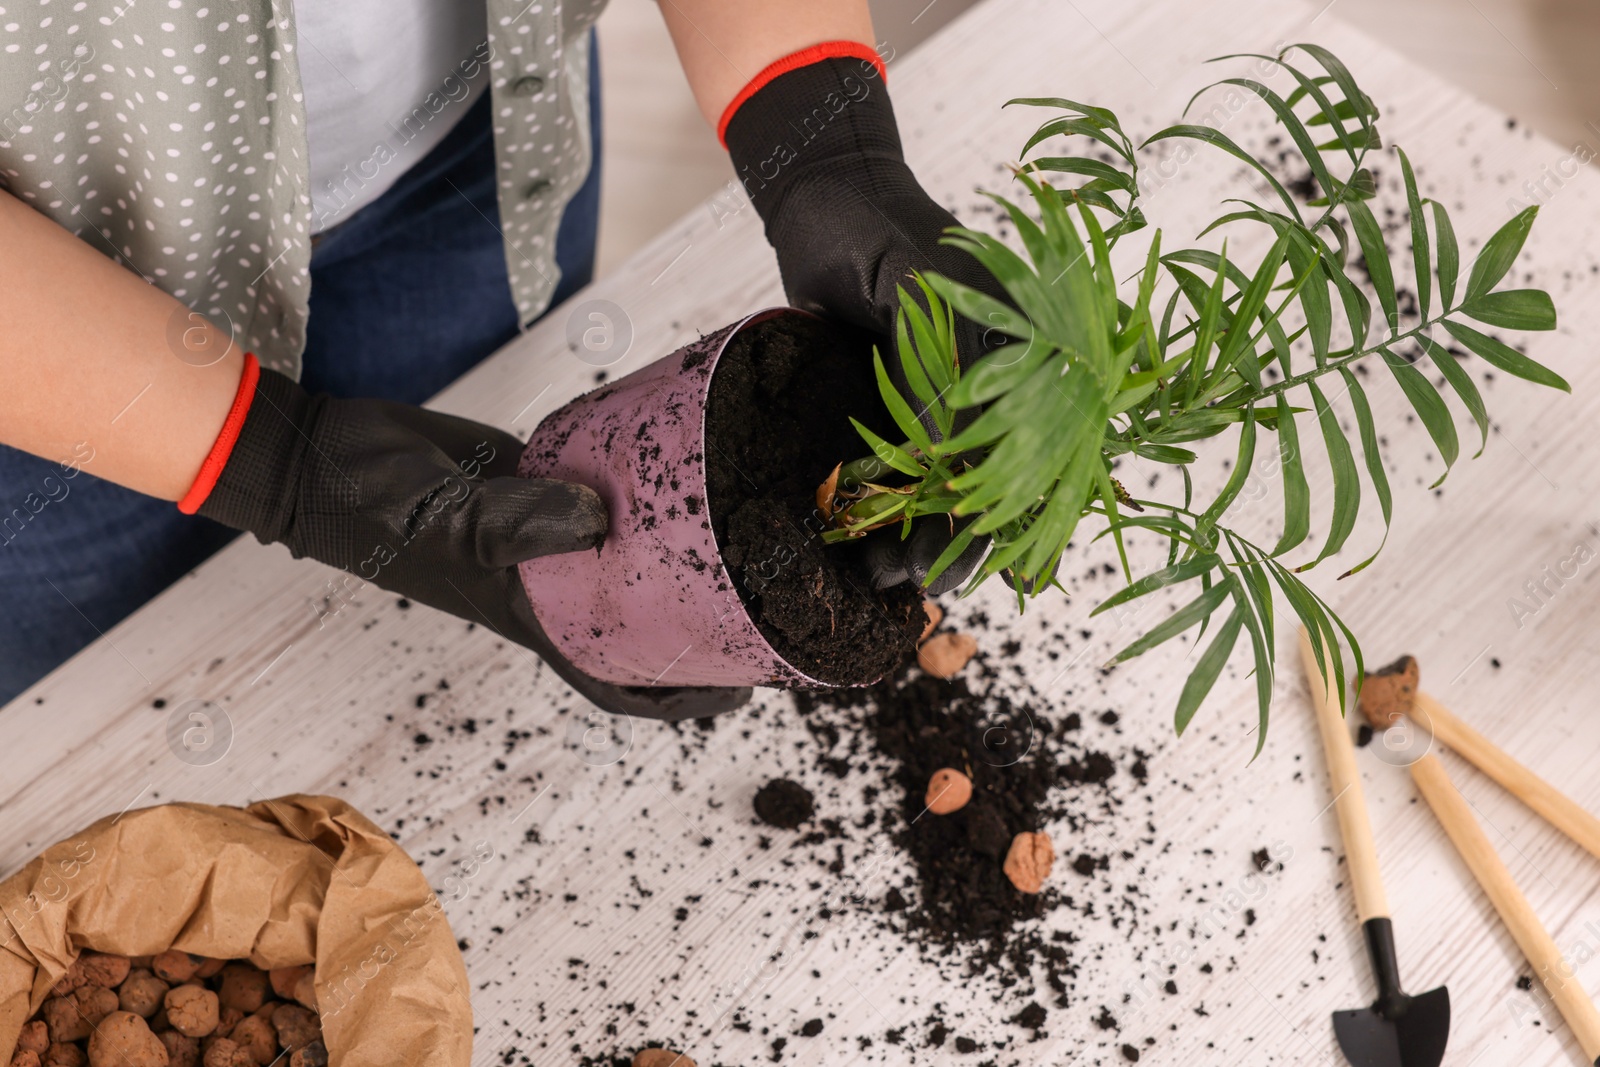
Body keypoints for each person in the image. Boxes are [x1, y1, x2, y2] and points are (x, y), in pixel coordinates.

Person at [0, 1, 996, 712]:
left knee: (426, 635)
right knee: (95, 710)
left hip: (466, 134)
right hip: (50, 292)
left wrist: (823, 142)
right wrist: (281, 465)